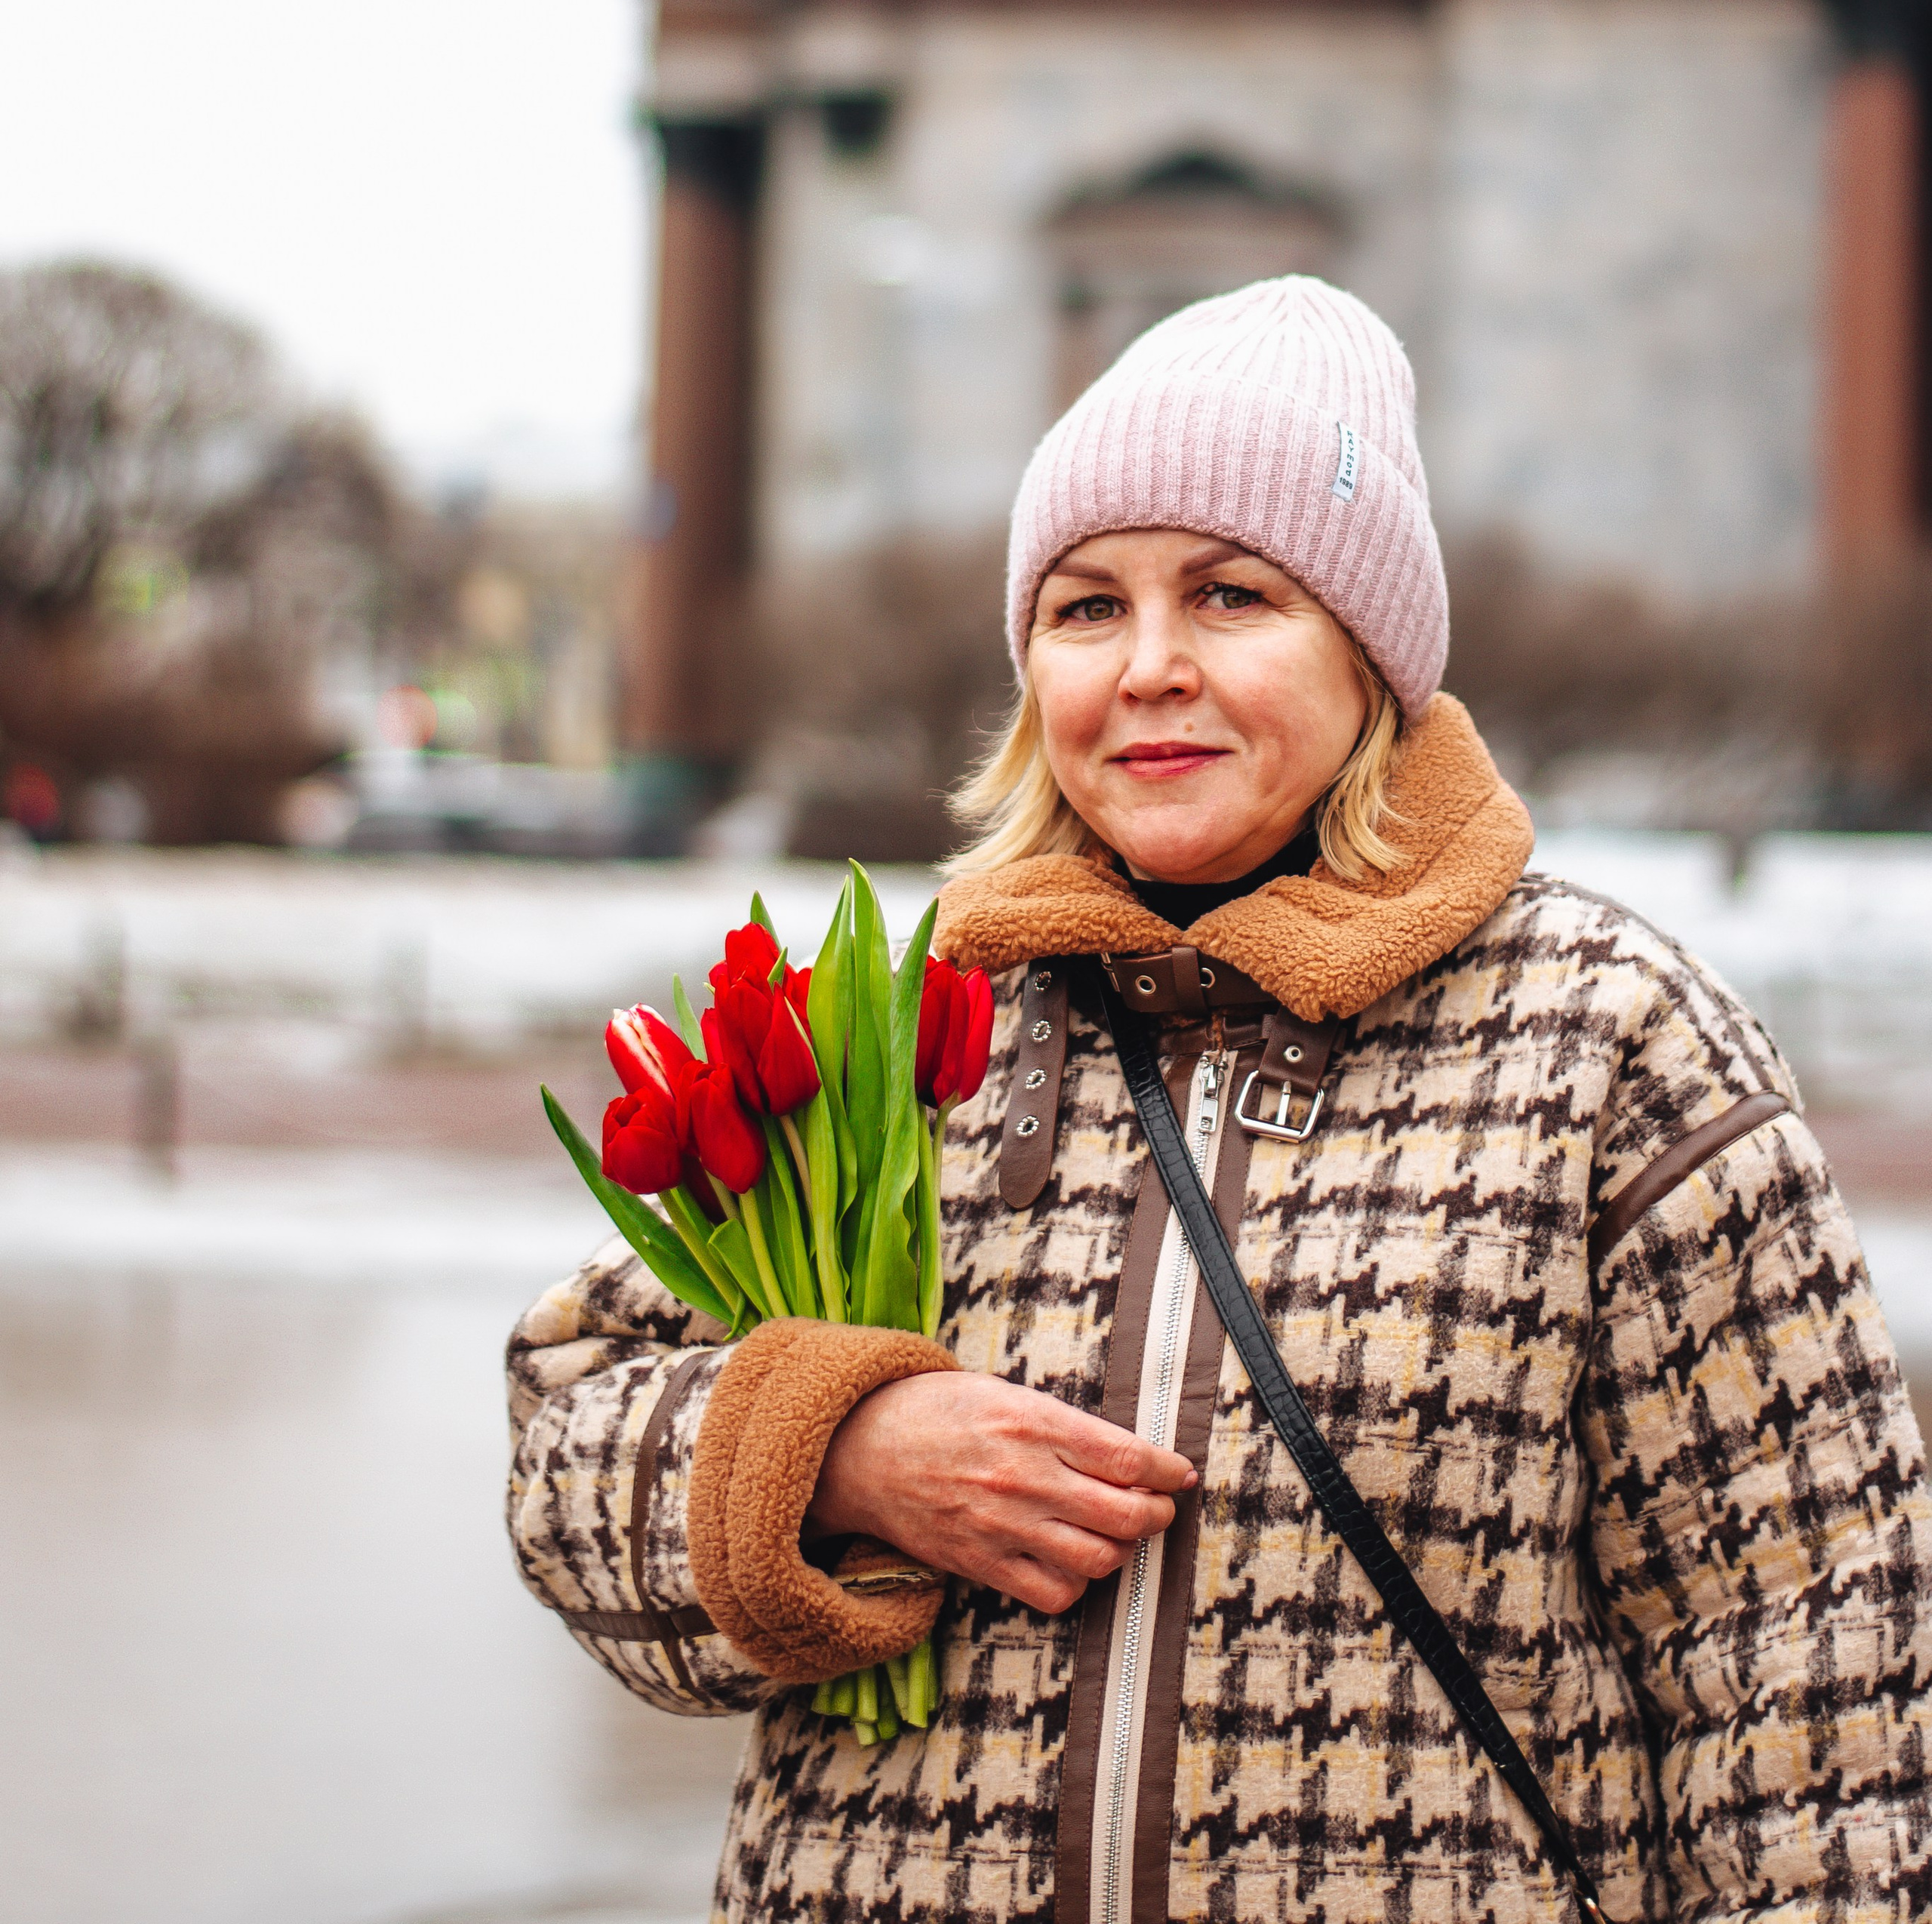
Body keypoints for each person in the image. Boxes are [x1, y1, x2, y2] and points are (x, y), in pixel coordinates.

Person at [507, 277, 1931, 1923]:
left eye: (1232, 595)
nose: (1149, 669)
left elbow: (1813, 1651)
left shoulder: (1609, 1044)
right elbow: (563, 1459)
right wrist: (830, 1456)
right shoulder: (897, 1029)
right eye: (1086, 608)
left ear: (1368, 648)